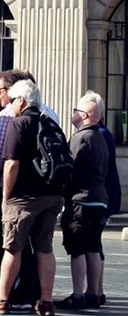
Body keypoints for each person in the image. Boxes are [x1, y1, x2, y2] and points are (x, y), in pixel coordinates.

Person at [0, 80, 64, 315]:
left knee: (12, 248)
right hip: (51, 195)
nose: (9, 105)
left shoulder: (19, 123)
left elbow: (11, 164)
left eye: (11, 100)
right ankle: (46, 301)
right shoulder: (50, 122)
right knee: (44, 248)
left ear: (22, 100)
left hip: (24, 198)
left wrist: (5, 197)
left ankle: (1, 299)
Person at [56, 91, 109, 310]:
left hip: (81, 200)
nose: (73, 113)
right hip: (99, 199)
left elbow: (70, 169)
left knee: (77, 248)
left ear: (86, 115)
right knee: (94, 246)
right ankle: (93, 294)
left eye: (76, 110)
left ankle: (78, 294)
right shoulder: (101, 137)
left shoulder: (80, 138)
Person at [93, 92, 121, 305]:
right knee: (95, 243)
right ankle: (97, 289)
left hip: (99, 195)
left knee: (93, 244)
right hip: (107, 193)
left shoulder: (99, 134)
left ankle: (96, 289)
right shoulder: (106, 133)